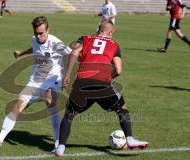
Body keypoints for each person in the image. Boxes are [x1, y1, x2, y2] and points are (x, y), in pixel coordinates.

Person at [54, 21, 149, 157]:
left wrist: (67, 74)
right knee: (121, 108)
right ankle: (130, 139)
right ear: (111, 32)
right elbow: (118, 69)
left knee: (69, 114)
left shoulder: (85, 39)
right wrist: (104, 78)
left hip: (82, 81)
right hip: (103, 83)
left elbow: (74, 51)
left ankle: (60, 148)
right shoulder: (114, 44)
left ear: (98, 30)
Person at [0, 16, 71, 151]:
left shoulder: (57, 44)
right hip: (35, 82)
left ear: (48, 30)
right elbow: (35, 48)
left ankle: (56, 144)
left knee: (50, 103)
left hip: (52, 81)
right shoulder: (34, 39)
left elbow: (71, 55)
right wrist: (21, 53)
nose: (39, 37)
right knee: (17, 107)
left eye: (41, 33)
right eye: (36, 33)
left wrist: (67, 74)